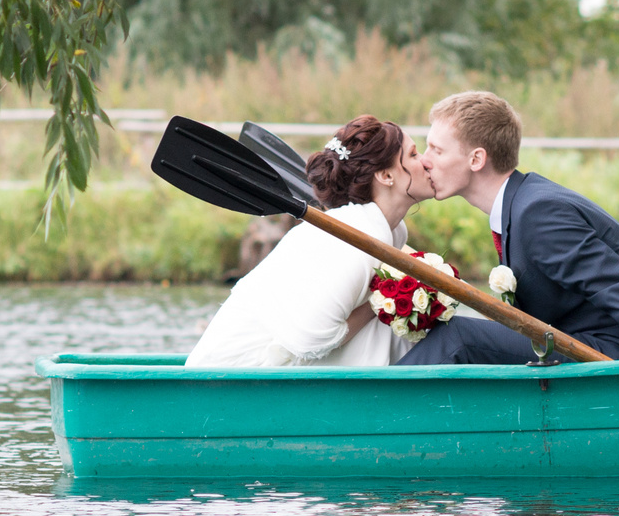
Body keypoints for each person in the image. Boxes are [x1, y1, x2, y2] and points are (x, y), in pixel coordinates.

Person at [396, 89, 619, 365]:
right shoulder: (520, 205)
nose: (424, 161)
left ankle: (375, 401)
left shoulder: (537, 213)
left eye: (436, 150)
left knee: (457, 336)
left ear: (476, 159)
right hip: (585, 343)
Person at [185, 114, 437, 368]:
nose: (426, 162)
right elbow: (311, 343)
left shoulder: (386, 230)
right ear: (385, 175)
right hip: (233, 372)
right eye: (413, 154)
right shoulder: (361, 236)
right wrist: (383, 301)